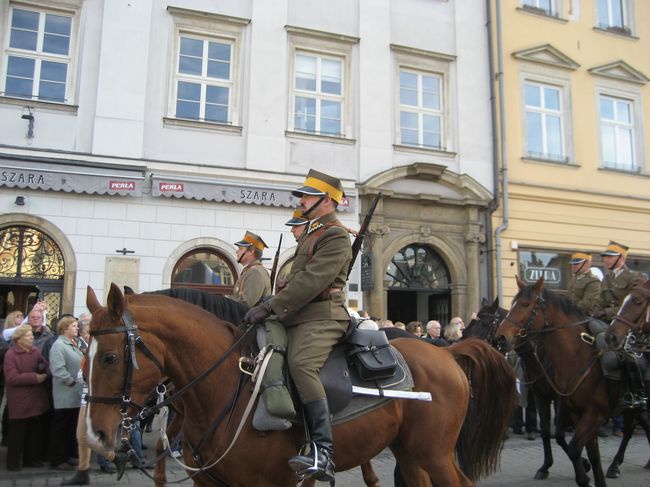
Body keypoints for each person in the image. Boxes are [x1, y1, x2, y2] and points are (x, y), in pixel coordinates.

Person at [244, 168, 352, 482]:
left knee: (301, 364)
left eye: (307, 195)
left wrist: (270, 305)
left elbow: (310, 282)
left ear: (327, 200)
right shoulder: (312, 233)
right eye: (303, 195)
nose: (301, 200)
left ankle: (324, 450)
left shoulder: (334, 234)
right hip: (299, 314)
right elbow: (296, 280)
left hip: (323, 315)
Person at [596, 241, 648, 412]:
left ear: (621, 258)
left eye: (610, 257)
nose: (606, 261)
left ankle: (636, 394)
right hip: (607, 321)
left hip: (626, 325)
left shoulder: (635, 277)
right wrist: (597, 311)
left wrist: (608, 312)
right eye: (605, 258)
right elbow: (600, 301)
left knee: (630, 355)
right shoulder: (606, 279)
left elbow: (632, 306)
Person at [3, 325, 50, 471]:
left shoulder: (35, 351)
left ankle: (32, 459)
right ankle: (13, 462)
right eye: (28, 336)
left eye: (31, 335)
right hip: (20, 400)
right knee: (18, 434)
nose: (31, 338)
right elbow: (12, 378)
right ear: (19, 339)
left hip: (36, 398)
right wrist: (35, 377)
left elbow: (45, 366)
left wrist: (44, 369)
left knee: (34, 432)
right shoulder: (11, 355)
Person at [48, 316, 84, 470]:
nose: (77, 328)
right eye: (74, 326)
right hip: (65, 394)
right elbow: (58, 369)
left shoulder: (74, 344)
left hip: (75, 394)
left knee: (71, 427)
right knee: (61, 428)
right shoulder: (59, 345)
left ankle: (69, 455)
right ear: (65, 329)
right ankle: (57, 458)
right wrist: (71, 381)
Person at [228, 231, 272, 307]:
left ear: (251, 251)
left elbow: (246, 304)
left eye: (241, 249)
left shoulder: (255, 272)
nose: (237, 251)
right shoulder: (250, 270)